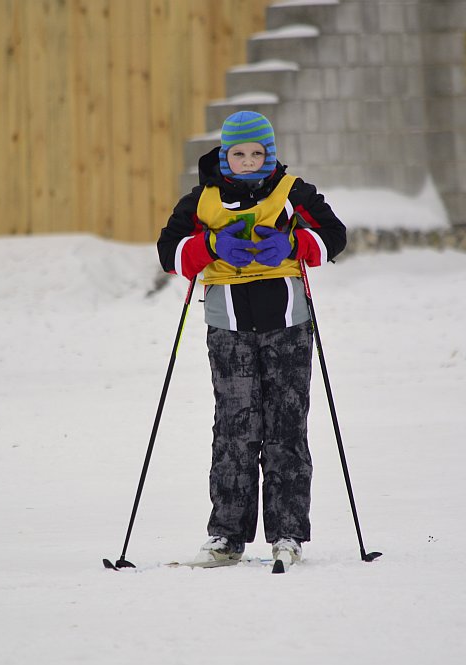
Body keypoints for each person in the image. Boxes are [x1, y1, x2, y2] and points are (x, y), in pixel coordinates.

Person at [156, 110, 347, 566]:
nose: (247, 161)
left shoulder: (291, 192)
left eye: (257, 153)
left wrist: (295, 244)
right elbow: (169, 252)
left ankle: (287, 533)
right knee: (235, 429)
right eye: (238, 154)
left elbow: (334, 236)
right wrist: (212, 247)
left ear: (270, 154)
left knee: (286, 428)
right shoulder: (201, 201)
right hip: (228, 326)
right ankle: (226, 536)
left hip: (289, 324)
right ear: (225, 156)